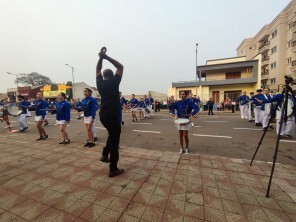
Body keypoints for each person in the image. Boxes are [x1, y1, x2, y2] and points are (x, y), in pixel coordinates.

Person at [96, 47, 124, 177]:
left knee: (111, 134)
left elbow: (97, 70)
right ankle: (113, 169)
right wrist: (106, 57)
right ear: (112, 76)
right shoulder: (115, 82)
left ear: (104, 76)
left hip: (103, 115)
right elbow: (120, 66)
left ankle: (104, 154)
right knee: (115, 141)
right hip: (114, 115)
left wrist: (100, 58)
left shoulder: (100, 83)